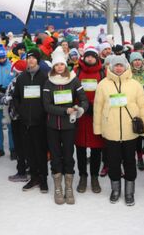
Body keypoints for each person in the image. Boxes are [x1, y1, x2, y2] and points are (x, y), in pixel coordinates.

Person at [93, 54, 144, 206]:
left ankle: (129, 191)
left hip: (130, 131)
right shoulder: (103, 84)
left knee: (130, 161)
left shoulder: (135, 84)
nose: (118, 68)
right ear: (111, 67)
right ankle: (115, 189)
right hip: (110, 131)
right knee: (113, 161)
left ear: (126, 66)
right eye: (115, 65)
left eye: (121, 65)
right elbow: (98, 108)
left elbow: (143, 107)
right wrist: (98, 128)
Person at [43, 54, 89, 205]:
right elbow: (47, 106)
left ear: (66, 65)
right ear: (53, 67)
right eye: (56, 65)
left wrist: (80, 109)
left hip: (69, 126)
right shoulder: (48, 82)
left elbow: (84, 99)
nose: (59, 67)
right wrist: (65, 111)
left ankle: (68, 187)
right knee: (55, 156)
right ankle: (58, 187)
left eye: (62, 65)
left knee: (68, 156)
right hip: (52, 126)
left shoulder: (74, 80)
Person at [12, 49, 49, 192]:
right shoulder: (21, 78)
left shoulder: (44, 77)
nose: (31, 60)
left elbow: (48, 97)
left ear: (38, 60)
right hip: (25, 122)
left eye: (33, 58)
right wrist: (20, 110)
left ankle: (43, 179)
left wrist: (43, 113)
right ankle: (34, 177)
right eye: (29, 58)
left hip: (40, 122)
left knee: (41, 151)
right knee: (29, 152)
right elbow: (16, 97)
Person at [74, 46, 105, 194]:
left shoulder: (102, 72)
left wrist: (97, 107)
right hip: (80, 116)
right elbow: (72, 91)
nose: (90, 59)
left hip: (96, 116)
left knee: (96, 149)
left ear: (96, 58)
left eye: (93, 56)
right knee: (80, 148)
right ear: (84, 58)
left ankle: (94, 176)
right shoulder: (77, 72)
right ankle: (82, 176)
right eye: (88, 56)